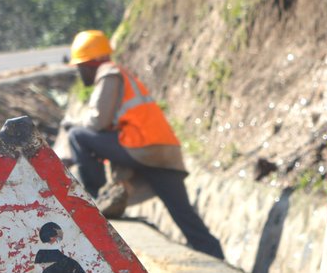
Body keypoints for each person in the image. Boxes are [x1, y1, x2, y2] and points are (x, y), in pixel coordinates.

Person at [61, 30, 224, 259]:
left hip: (141, 149)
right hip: (163, 154)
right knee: (187, 219)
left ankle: (96, 199)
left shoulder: (109, 73)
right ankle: (216, 256)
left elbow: (97, 123)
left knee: (77, 135)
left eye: (79, 67)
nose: (79, 73)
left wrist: (72, 126)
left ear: (90, 63)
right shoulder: (123, 76)